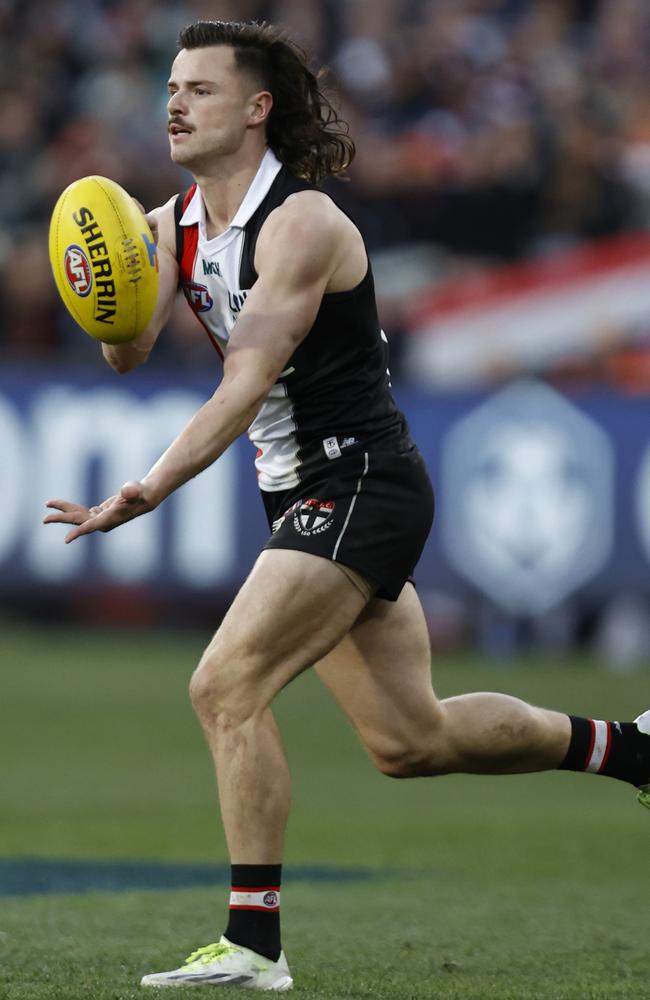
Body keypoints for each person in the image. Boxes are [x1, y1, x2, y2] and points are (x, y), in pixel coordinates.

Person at [44, 19, 649, 993]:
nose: (172, 103)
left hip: (359, 479)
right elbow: (127, 348)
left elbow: (244, 383)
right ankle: (631, 749)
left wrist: (148, 486)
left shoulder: (304, 224)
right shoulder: (171, 222)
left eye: (198, 88)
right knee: (411, 741)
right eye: (169, 86)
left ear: (256, 107)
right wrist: (103, 275)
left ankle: (253, 944)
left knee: (221, 686)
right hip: (301, 492)